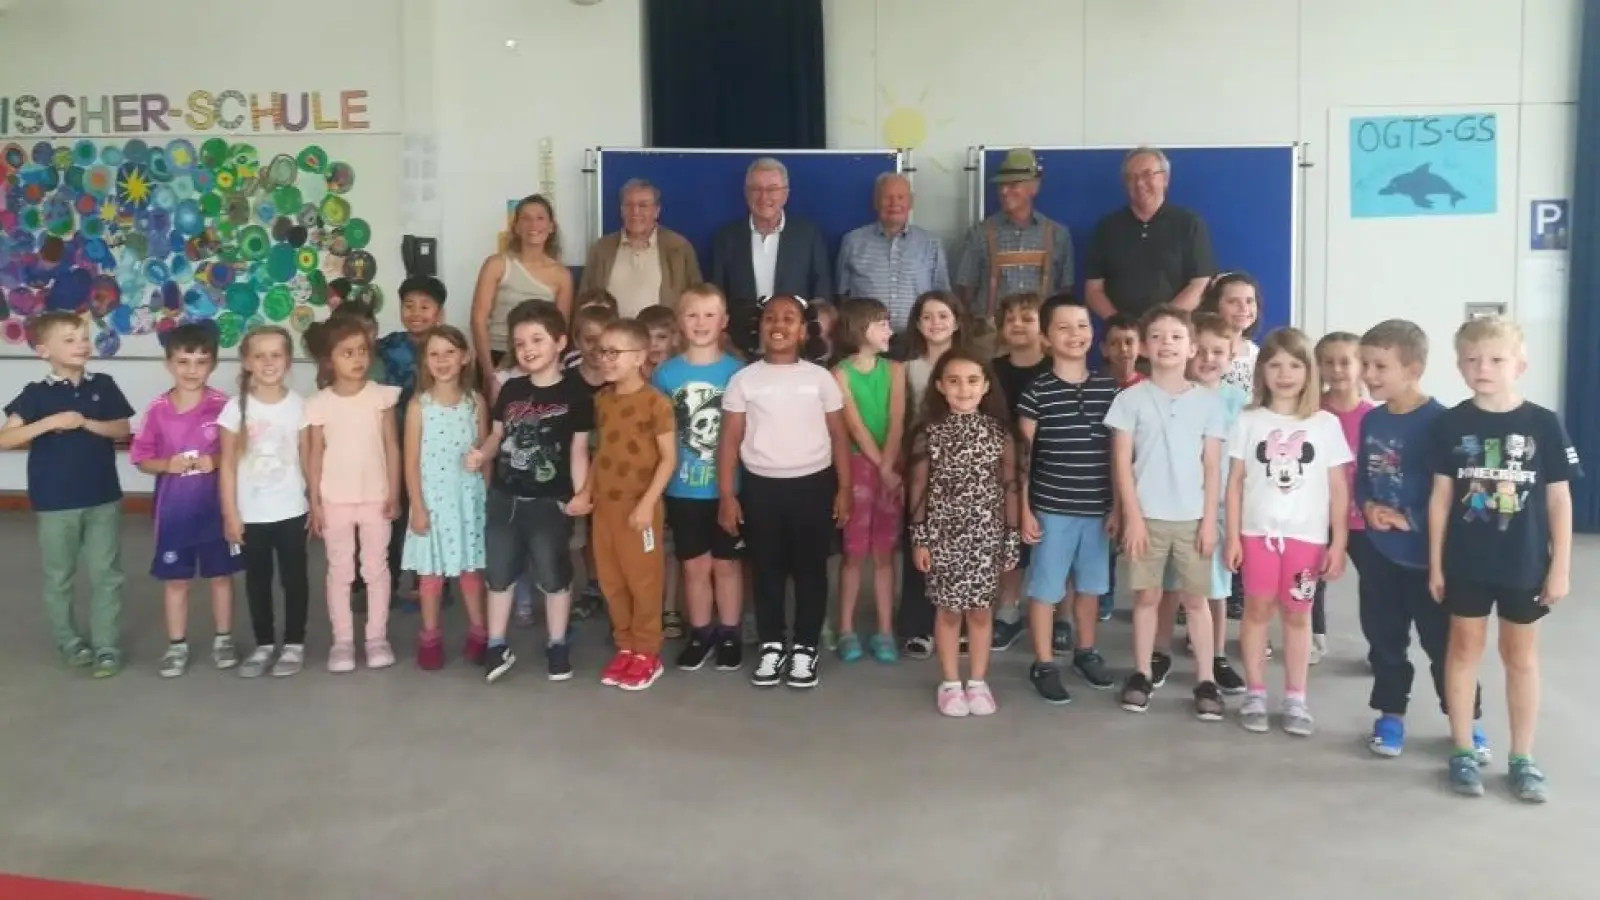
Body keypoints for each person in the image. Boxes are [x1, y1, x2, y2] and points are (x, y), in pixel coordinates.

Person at [1427, 316, 1577, 802]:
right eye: (1471, 360)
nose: (1482, 368)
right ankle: (1463, 749)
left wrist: (1560, 565)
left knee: (1521, 657)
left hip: (1524, 562)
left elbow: (1558, 499)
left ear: (1520, 364)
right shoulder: (1451, 423)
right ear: (1459, 366)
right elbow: (1441, 498)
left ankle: (1522, 756)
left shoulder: (1543, 423)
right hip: (1467, 561)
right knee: (1464, 650)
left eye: (1495, 359)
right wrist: (1436, 562)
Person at [1354, 319, 1487, 762]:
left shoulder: (1441, 423)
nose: (1368, 375)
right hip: (1379, 556)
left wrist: (1410, 518)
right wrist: (1370, 507)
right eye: (1365, 364)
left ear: (1413, 368)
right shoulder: (1371, 419)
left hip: (1427, 561)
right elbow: (1363, 479)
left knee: (1443, 645)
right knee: (1385, 640)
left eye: (1380, 366)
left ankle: (1464, 720)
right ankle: (1390, 714)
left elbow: (1451, 492)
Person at [718, 296, 852, 690]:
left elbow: (839, 437)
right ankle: (772, 644)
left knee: (811, 571)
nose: (779, 325)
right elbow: (729, 442)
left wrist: (844, 488)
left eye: (789, 319)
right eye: (771, 318)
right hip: (761, 489)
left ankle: (805, 648)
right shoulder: (745, 379)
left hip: (814, 486)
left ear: (804, 329)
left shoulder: (819, 378)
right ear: (759, 326)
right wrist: (728, 495)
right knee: (767, 571)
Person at [1224, 328, 1352, 736]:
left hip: (1306, 540)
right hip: (1256, 535)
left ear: (1308, 371)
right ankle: (1255, 691)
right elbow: (1235, 481)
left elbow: (1337, 488)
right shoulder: (1247, 420)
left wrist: (1338, 541)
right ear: (1262, 371)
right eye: (1275, 365)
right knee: (1257, 611)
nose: (1284, 374)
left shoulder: (1325, 423)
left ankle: (1295, 696)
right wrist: (1231, 536)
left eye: (1295, 365)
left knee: (1298, 615)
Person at [1104, 305, 1227, 718]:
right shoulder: (1129, 399)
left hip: (1193, 518)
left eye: (1176, 336)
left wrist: (1210, 520)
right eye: (1156, 336)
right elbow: (1122, 462)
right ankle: (1140, 673)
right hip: (1148, 518)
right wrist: (1132, 517)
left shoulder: (1209, 403)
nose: (1166, 344)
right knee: (1147, 597)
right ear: (1142, 346)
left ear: (1192, 347)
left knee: (1196, 601)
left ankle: (1205, 678)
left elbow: (1212, 466)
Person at [2, 312, 134, 678]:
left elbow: (123, 428)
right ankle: (69, 640)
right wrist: (50, 422)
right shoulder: (35, 394)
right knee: (59, 576)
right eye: (70, 339)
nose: (81, 344)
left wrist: (85, 422)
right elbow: (5, 437)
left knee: (106, 574)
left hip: (103, 496)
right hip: (55, 502)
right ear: (44, 351)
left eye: (84, 337)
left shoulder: (104, 385)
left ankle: (107, 645)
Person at [470, 301, 593, 683]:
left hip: (550, 501)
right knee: (500, 572)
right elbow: (497, 435)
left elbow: (578, 449)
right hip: (505, 497)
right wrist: (482, 454)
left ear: (560, 342)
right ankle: (495, 643)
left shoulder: (577, 393)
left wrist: (581, 492)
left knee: (554, 573)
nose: (528, 348)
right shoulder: (511, 389)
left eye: (537, 339)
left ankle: (557, 643)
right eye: (520, 342)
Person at [1015, 296, 1120, 703]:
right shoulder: (1037, 391)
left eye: (1082, 326)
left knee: (1092, 587)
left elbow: (1118, 454)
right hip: (1051, 510)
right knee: (1046, 589)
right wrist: (1024, 509)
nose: (1075, 334)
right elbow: (1025, 457)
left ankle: (1086, 651)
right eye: (1063, 327)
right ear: (1045, 338)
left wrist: (1118, 507)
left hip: (1097, 511)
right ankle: (1043, 661)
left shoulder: (1108, 388)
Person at [909, 349, 1021, 717]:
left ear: (986, 386)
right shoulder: (930, 432)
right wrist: (920, 538)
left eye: (973, 380)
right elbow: (919, 488)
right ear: (940, 386)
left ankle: (977, 680)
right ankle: (949, 682)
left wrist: (1010, 538)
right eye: (954, 381)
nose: (963, 389)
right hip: (943, 536)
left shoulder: (999, 433)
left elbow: (1010, 487)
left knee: (981, 612)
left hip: (986, 537)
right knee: (948, 611)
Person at [130, 324, 242, 678]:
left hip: (215, 512)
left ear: (213, 365)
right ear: (169, 364)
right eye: (183, 361)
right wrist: (168, 465)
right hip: (174, 515)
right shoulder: (158, 410)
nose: (192, 370)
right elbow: (142, 458)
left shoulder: (223, 406)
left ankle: (223, 638)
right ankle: (176, 644)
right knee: (176, 581)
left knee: (221, 577)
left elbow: (240, 451)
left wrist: (218, 460)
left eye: (201, 361)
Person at [653, 285, 746, 673]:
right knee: (693, 566)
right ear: (679, 321)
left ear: (724, 322)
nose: (701, 323)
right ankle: (701, 631)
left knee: (726, 565)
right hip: (682, 488)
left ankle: (729, 632)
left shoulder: (738, 373)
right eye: (692, 315)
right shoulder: (665, 374)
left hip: (729, 490)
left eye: (710, 315)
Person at [305, 315, 402, 673]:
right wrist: (314, 502)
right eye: (347, 352)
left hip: (376, 496)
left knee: (376, 569)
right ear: (330, 359)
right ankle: (343, 641)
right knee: (340, 570)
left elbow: (392, 447)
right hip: (335, 499)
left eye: (362, 351)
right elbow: (314, 456)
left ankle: (377, 637)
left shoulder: (381, 397)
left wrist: (394, 490)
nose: (358, 359)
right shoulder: (319, 403)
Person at [1161, 312, 1248, 694]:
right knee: (1169, 585)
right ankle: (1158, 652)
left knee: (1215, 586)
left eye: (1220, 351)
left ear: (1231, 357)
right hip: (1173, 504)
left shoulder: (1239, 402)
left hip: (1220, 507)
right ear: (1189, 349)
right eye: (1203, 349)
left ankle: (1215, 657)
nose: (1209, 358)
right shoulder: (1171, 393)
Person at [219, 326, 311, 679]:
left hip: (291, 511)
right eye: (260, 355)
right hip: (251, 515)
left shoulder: (300, 406)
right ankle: (263, 643)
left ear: (287, 361)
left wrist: (313, 502)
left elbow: (308, 459)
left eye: (276, 355)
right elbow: (226, 465)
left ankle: (294, 643)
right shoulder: (233, 409)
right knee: (257, 580)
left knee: (294, 579)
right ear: (246, 362)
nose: (268, 362)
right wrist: (230, 512)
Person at [591, 319, 677, 691]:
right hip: (604, 510)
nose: (605, 359)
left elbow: (668, 459)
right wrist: (585, 493)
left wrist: (646, 504)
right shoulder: (603, 400)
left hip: (639, 511)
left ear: (639, 357)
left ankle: (647, 652)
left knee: (643, 582)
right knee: (612, 581)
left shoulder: (656, 403)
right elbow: (601, 452)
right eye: (602, 351)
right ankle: (625, 646)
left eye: (615, 352)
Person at [402, 326, 489, 671]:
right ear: (425, 361)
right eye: (434, 354)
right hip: (433, 503)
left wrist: (485, 497)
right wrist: (418, 508)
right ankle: (430, 636)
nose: (441, 360)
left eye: (449, 352)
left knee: (470, 572)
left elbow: (484, 452)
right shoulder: (418, 406)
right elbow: (410, 463)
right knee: (431, 576)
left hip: (467, 502)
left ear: (465, 357)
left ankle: (480, 632)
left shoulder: (475, 403)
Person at [832, 298, 906, 665]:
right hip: (860, 467)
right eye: (882, 324)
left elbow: (896, 420)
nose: (889, 331)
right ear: (860, 329)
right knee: (853, 554)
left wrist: (890, 465)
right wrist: (882, 466)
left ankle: (885, 630)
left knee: (884, 555)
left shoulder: (895, 370)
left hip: (890, 467)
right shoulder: (839, 374)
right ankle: (845, 628)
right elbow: (855, 426)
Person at [897, 290, 967, 658]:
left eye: (943, 315)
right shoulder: (908, 368)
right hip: (921, 467)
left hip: (964, 471)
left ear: (956, 321)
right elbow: (901, 421)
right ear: (918, 324)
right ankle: (917, 625)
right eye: (927, 317)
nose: (936, 323)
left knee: (962, 547)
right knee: (919, 546)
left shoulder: (973, 364)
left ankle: (962, 620)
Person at [955, 148, 1073, 353]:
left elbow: (1065, 293)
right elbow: (965, 292)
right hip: (990, 340)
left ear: (1034, 187)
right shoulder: (979, 234)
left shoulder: (1058, 235)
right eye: (1001, 185)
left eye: (1013, 184)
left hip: (1042, 341)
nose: (1004, 191)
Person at [377, 275, 449, 610]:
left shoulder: (447, 347)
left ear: (439, 312)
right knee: (394, 513)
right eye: (409, 305)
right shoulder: (387, 345)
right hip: (394, 441)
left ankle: (432, 581)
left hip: (436, 446)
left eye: (425, 306)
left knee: (432, 512)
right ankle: (385, 582)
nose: (416, 312)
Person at [1083, 146, 1215, 320]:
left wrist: (1161, 322)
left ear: (1165, 179)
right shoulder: (1106, 228)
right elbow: (1094, 289)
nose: (1139, 183)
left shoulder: (1190, 224)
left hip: (1174, 332)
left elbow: (1200, 284)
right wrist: (1120, 324)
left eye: (1147, 175)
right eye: (1132, 177)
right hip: (1123, 337)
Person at [989, 292, 1050, 650]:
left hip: (1052, 466)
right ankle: (1008, 612)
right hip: (1004, 467)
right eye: (1010, 319)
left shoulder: (1055, 368)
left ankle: (1059, 616)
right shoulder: (992, 370)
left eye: (1027, 318)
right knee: (1010, 542)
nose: (1017, 325)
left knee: (1052, 542)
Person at [709, 158, 832, 329]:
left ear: (786, 194)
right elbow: (716, 296)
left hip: (795, 340)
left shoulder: (809, 235)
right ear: (746, 193)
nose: (764, 196)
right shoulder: (727, 237)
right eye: (756, 189)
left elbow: (821, 293)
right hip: (741, 340)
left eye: (772, 189)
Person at [1313, 331, 1373, 664]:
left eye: (1345, 362)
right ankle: (1312, 636)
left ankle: (1380, 645)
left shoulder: (1374, 417)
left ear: (1361, 367)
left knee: (1376, 586)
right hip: (1317, 516)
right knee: (1311, 578)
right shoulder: (1310, 412)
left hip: (1362, 517)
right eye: (1328, 362)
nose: (1336, 369)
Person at [472, 194, 573, 387]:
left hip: (539, 360)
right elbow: (478, 319)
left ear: (551, 227)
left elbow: (560, 329)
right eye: (526, 218)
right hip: (497, 355)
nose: (533, 224)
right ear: (516, 227)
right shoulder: (497, 264)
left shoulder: (562, 275)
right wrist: (489, 373)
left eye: (540, 218)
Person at [836, 172, 951, 334]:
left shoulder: (931, 243)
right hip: (866, 341)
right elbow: (842, 295)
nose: (894, 203)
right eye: (887, 197)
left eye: (900, 197)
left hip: (917, 340)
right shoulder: (852, 242)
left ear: (911, 202)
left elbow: (942, 297)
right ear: (875, 202)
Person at [579, 178, 703, 317]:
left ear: (656, 211)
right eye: (628, 205)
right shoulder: (601, 249)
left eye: (643, 205)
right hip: (613, 336)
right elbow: (584, 301)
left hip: (661, 337)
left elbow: (696, 301)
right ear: (621, 210)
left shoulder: (679, 248)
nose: (635, 212)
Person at [1197, 272, 1262, 393]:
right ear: (1215, 305)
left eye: (1249, 301)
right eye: (1233, 301)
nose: (1243, 308)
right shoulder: (1198, 346)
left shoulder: (1255, 353)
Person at [638, 303, 680, 380]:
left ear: (675, 339)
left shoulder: (680, 369)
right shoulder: (635, 370)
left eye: (661, 337)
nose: (653, 343)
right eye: (648, 337)